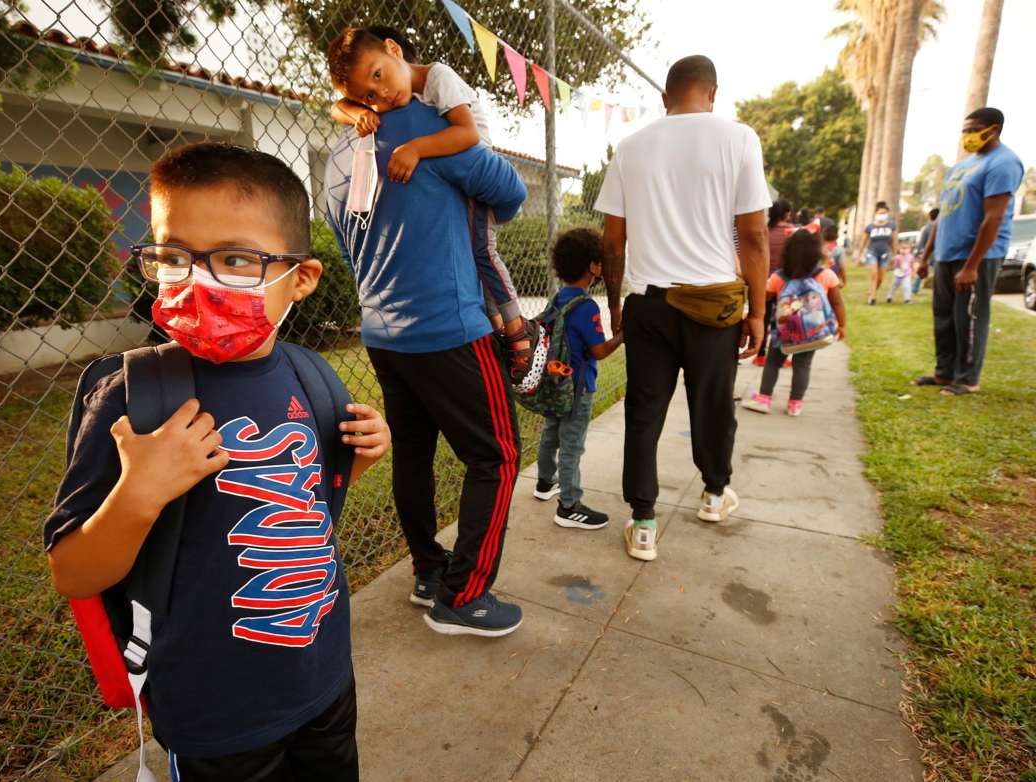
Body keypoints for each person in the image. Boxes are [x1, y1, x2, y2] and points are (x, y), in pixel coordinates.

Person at [45, 144, 391, 779]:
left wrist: (361, 456)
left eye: (235, 260)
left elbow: (305, 502)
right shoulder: (132, 397)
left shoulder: (312, 376)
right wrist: (139, 491)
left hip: (323, 678)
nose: (198, 281)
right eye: (174, 257)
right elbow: (72, 571)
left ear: (303, 278)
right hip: (216, 714)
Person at [324, 96, 529, 635]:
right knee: (497, 456)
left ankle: (427, 572)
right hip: (449, 326)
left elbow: (349, 250)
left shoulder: (340, 150)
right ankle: (463, 596)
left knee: (412, 452)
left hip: (382, 331)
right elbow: (511, 192)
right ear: (398, 61)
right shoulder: (431, 124)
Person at [596, 54, 771, 562]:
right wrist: (757, 312)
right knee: (712, 404)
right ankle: (715, 495)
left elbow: (612, 242)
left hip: (648, 303)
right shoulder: (739, 139)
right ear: (712, 93)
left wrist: (615, 306)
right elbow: (754, 234)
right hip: (713, 304)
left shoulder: (630, 147)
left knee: (644, 411)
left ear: (665, 98)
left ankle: (643, 522)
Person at [326, 26, 537, 387]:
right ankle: (510, 328)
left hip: (381, 331)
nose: (384, 95)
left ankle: (513, 326)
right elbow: (337, 105)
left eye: (379, 76)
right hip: (447, 332)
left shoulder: (438, 80)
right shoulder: (403, 110)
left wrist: (416, 148)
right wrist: (354, 111)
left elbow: (468, 136)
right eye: (369, 96)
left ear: (395, 50)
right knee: (477, 253)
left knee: (483, 252)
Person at [916, 107, 1025, 396]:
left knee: (969, 317)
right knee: (944, 315)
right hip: (946, 253)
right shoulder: (961, 167)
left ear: (994, 129)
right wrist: (926, 256)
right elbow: (943, 215)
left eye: (973, 128)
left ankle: (966, 378)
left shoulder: (1004, 163)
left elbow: (993, 217)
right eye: (964, 129)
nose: (967, 135)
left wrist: (972, 265)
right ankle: (944, 372)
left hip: (977, 256)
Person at [533, 228, 624, 529]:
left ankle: (545, 482)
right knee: (572, 445)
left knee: (551, 432)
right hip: (578, 388)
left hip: (555, 383)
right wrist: (622, 336)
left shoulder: (559, 298)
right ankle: (569, 505)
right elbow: (598, 351)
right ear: (594, 266)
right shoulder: (586, 307)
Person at [742, 230, 846, 416]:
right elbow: (837, 302)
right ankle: (795, 404)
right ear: (816, 253)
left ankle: (764, 398)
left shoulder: (778, 278)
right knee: (803, 366)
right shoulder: (826, 275)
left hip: (784, 333)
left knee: (773, 363)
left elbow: (763, 300)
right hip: (813, 330)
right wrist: (842, 325)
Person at [755, 198, 794, 366]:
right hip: (784, 283)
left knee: (762, 318)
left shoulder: (764, 231)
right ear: (787, 214)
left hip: (763, 282)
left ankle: (760, 355)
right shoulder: (792, 232)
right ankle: (780, 357)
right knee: (783, 320)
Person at [856, 201, 898, 305]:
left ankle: (872, 291)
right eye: (880, 213)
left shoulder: (891, 226)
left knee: (880, 278)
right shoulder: (870, 227)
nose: (882, 215)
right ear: (876, 214)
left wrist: (895, 256)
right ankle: (872, 298)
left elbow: (894, 242)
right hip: (872, 252)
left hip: (885, 254)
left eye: (884, 213)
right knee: (874, 274)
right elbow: (863, 242)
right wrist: (859, 256)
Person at [913, 207, 939, 297]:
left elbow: (922, 242)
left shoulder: (927, 228)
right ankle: (938, 291)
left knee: (922, 272)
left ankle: (914, 289)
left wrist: (919, 253)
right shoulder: (941, 226)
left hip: (927, 254)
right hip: (938, 254)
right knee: (938, 274)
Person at [823, 221, 847, 286]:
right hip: (833, 278)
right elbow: (842, 267)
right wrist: (844, 281)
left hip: (819, 278)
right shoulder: (839, 250)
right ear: (837, 236)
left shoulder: (819, 248)